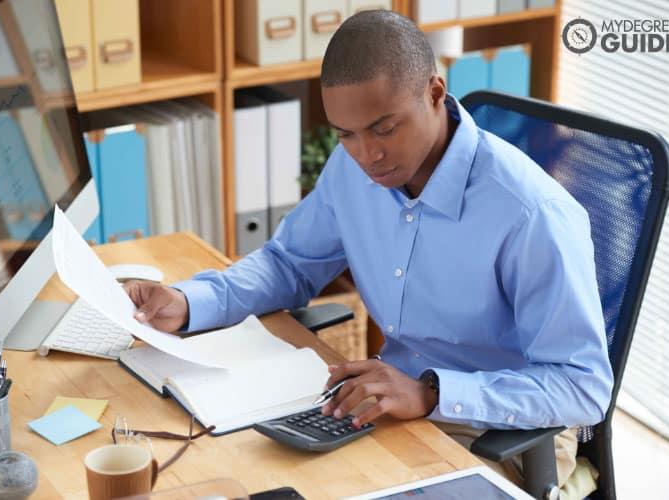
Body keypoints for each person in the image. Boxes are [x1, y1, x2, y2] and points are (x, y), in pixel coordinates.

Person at [124, 9, 613, 493]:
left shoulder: (531, 213)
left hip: (502, 433)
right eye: (346, 134)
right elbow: (289, 263)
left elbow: (582, 386)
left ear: (435, 93)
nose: (366, 155)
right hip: (390, 407)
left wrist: (432, 393)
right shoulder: (353, 168)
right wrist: (191, 302)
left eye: (384, 128)